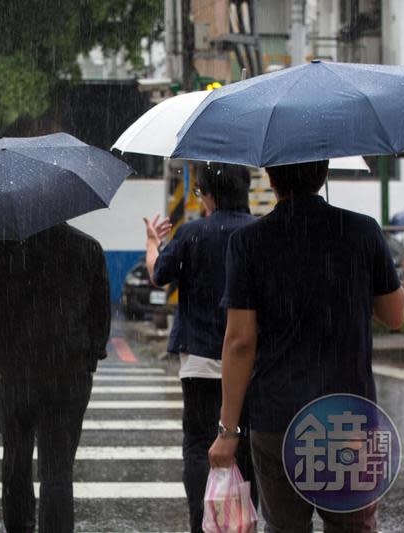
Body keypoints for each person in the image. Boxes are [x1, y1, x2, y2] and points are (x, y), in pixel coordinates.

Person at [209, 160, 404, 532]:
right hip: (347, 414)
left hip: (277, 416)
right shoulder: (362, 231)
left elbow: (239, 342)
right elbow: (394, 315)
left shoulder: (249, 242)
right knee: (351, 526)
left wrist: (227, 432)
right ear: (325, 173)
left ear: (269, 177)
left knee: (285, 527)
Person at [0, 222, 111, 533]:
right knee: (57, 469)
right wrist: (88, 358)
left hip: (13, 371)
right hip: (67, 372)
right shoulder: (87, 247)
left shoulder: (2, 245)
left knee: (16, 459)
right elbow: (101, 316)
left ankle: (20, 526)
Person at [144, 162, 258, 533]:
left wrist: (152, 243)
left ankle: (202, 521)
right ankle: (243, 519)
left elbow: (159, 276)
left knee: (197, 445)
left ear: (209, 194)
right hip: (251, 363)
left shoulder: (192, 234)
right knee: (246, 445)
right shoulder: (260, 235)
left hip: (200, 361)